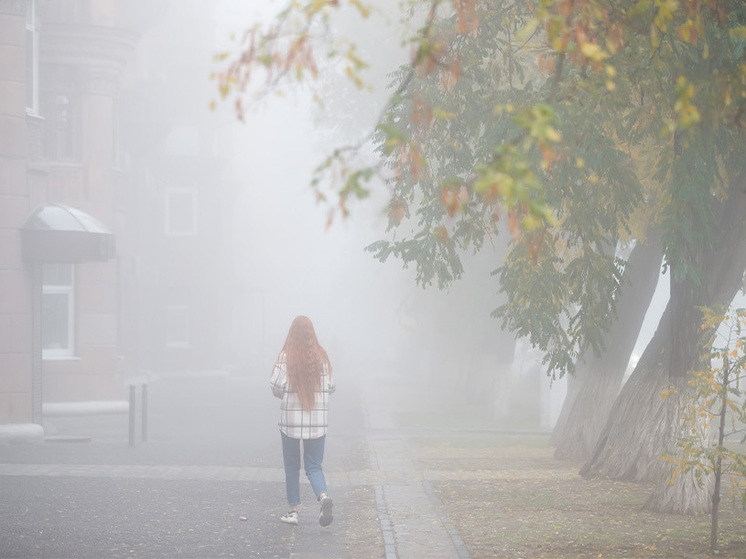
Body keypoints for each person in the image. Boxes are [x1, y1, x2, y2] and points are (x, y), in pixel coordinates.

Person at [270, 315, 335, 527]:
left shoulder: (285, 357)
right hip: (317, 422)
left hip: (290, 422)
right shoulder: (322, 358)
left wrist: (287, 395)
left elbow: (276, 387)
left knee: (292, 466)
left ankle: (293, 512)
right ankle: (323, 497)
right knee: (314, 466)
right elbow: (331, 388)